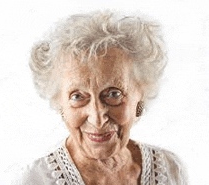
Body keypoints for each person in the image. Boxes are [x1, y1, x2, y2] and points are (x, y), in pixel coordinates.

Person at [17, 10, 187, 185]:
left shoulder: (170, 169)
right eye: (77, 96)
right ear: (60, 104)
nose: (97, 119)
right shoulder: (34, 179)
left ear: (140, 96)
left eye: (114, 94)